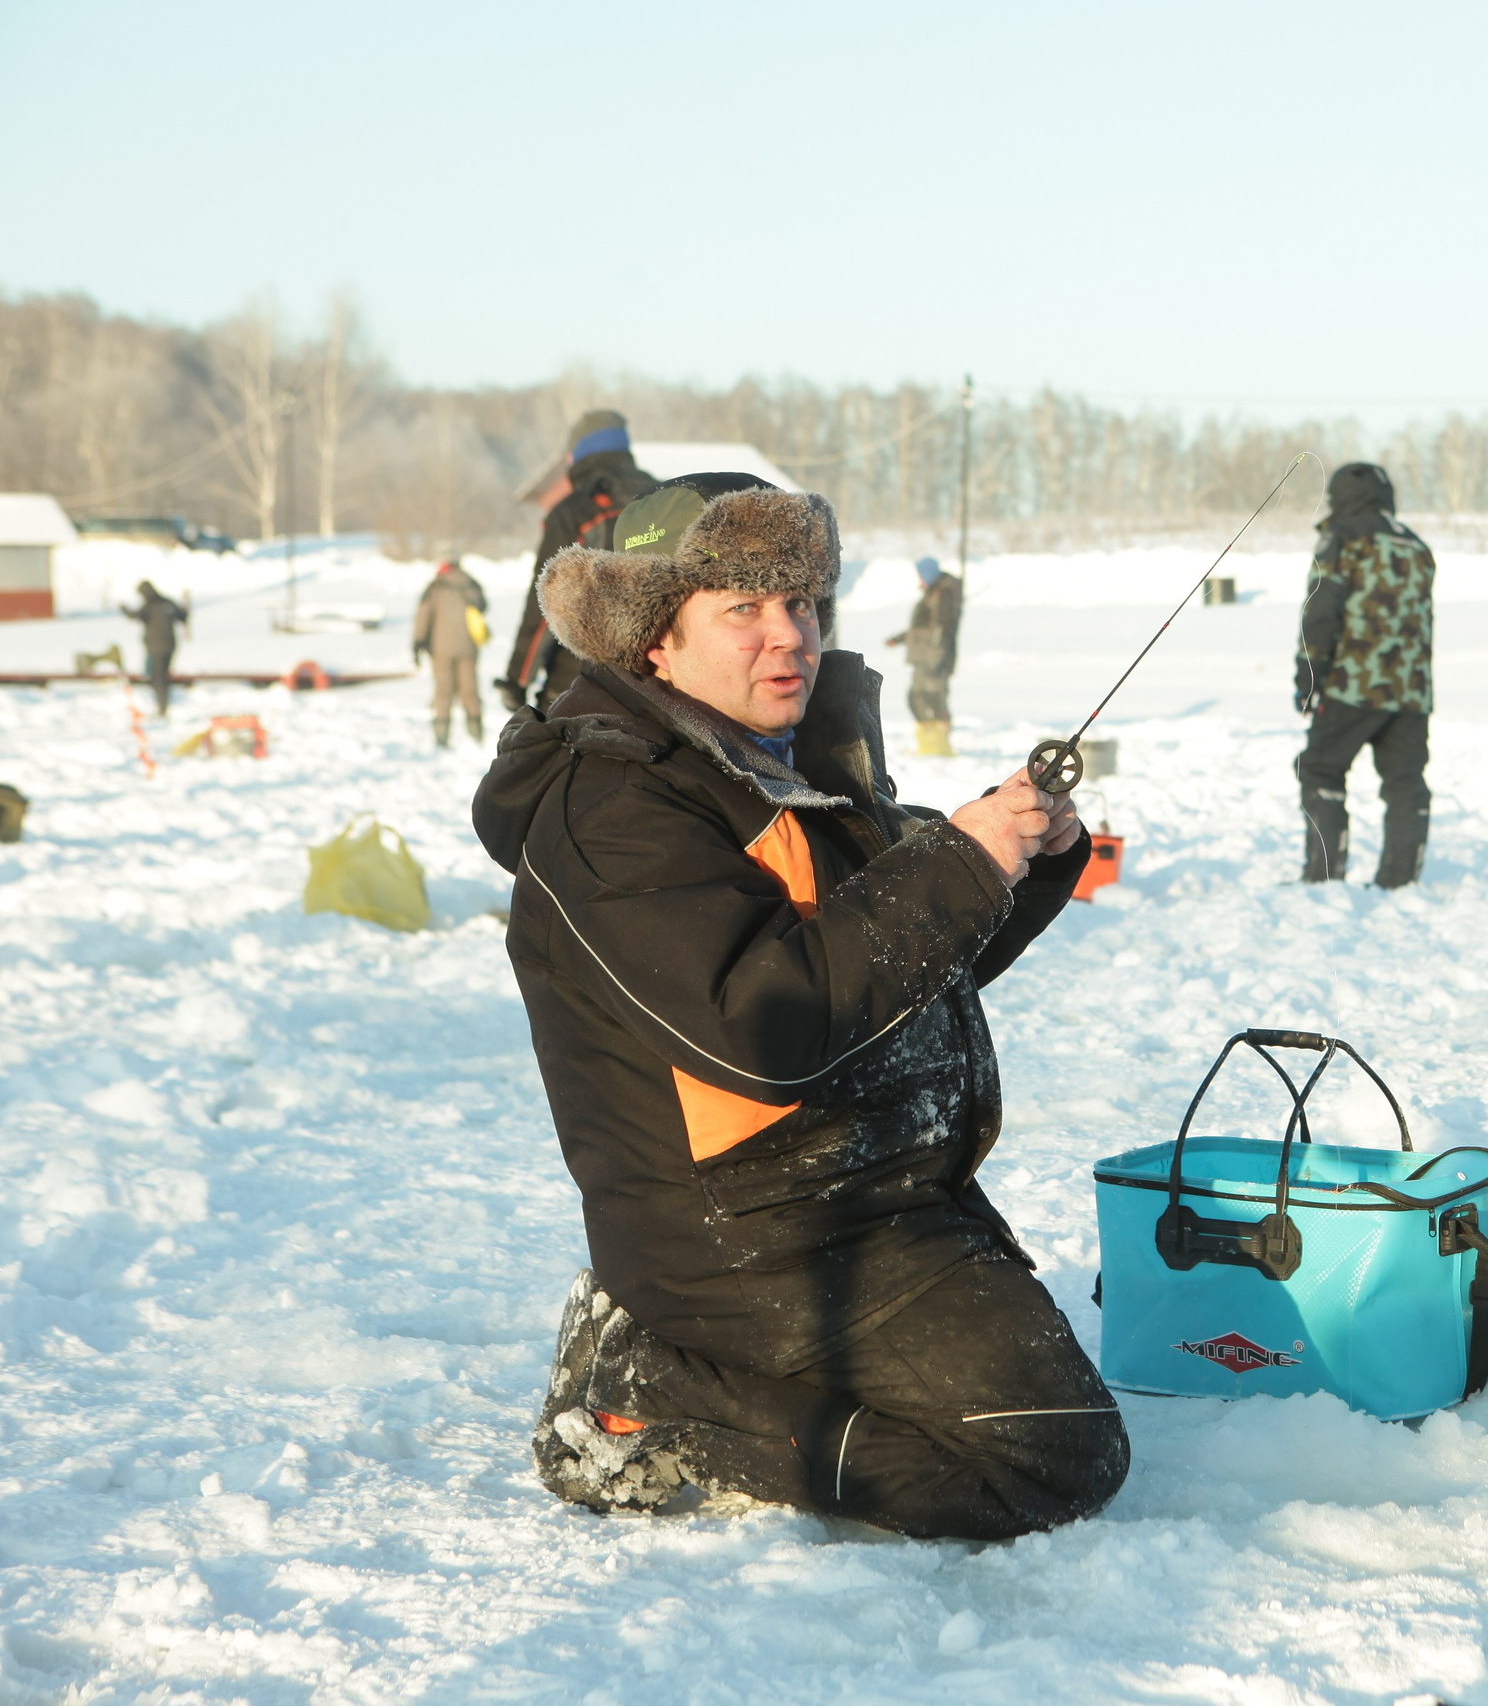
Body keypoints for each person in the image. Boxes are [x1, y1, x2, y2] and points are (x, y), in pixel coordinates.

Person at [472, 472, 1122, 1539]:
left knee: (1045, 1425)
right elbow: (763, 1028)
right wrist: (957, 864)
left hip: (861, 1186)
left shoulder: (779, 764)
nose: (790, 637)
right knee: (1050, 1452)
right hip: (745, 1227)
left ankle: (696, 1370)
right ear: (655, 640)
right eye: (743, 608)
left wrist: (1022, 860)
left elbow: (892, 971)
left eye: (801, 602)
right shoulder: (613, 807)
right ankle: (648, 1388)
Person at [1296, 462, 1435, 887]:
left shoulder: (1342, 538)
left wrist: (1308, 677)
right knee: (1406, 782)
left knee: (1319, 770)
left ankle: (1323, 877)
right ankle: (1400, 880)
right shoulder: (1416, 544)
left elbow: (1320, 612)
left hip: (1353, 685)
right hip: (1412, 690)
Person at [498, 410, 656, 713]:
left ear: (579, 454)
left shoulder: (575, 512)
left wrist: (517, 679)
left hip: (581, 679)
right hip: (661, 679)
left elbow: (547, 603)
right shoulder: (666, 500)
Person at [885, 556, 962, 757]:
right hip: (925, 657)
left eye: (920, 575)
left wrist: (936, 659)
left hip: (935, 658)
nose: (919, 579)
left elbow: (942, 629)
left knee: (934, 699)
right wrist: (898, 639)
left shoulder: (943, 594)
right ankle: (929, 744)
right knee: (917, 698)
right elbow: (922, 627)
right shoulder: (932, 594)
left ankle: (940, 747)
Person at [412, 559, 489, 747]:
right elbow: (483, 606)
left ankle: (441, 738)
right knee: (470, 691)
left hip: (441, 649)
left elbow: (423, 615)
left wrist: (418, 642)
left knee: (443, 691)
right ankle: (476, 736)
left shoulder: (435, 588)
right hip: (468, 647)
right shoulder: (470, 583)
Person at [120, 579, 190, 717]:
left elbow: (134, 616)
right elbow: (183, 617)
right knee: (162, 675)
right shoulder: (167, 603)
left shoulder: (150, 605)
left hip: (156, 647)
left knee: (158, 677)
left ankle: (162, 709)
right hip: (170, 645)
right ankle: (162, 705)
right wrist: (185, 610)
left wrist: (123, 608)